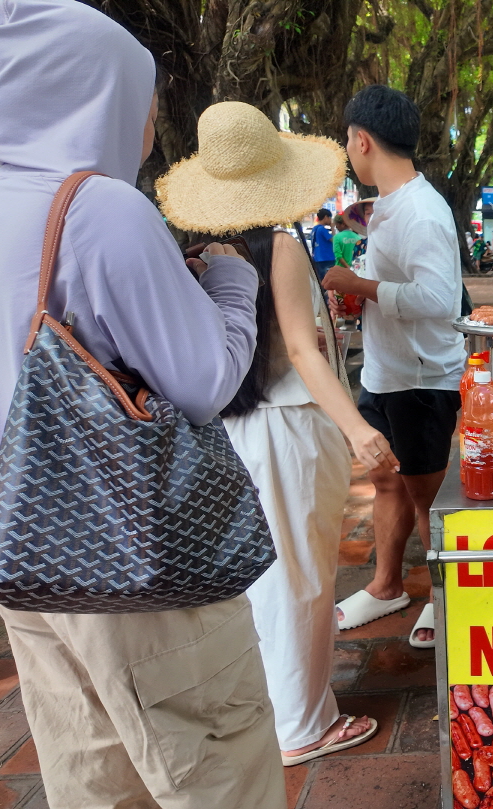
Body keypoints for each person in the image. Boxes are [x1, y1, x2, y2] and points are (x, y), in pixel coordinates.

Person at [0, 2, 284, 806]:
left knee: (95, 783)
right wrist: (231, 279)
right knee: (217, 776)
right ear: (96, 93)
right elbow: (205, 381)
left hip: (16, 565)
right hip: (130, 571)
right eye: (143, 92)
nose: (150, 113)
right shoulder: (104, 212)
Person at [156, 101, 394, 766]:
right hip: (288, 431)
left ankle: (273, 708)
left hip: (231, 429)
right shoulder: (278, 247)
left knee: (260, 578)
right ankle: (303, 724)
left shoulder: (197, 253)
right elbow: (304, 349)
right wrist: (358, 430)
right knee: (300, 577)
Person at [321, 85, 465, 646]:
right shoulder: (385, 207)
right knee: (386, 478)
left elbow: (438, 299)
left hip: (424, 378)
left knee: (426, 494)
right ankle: (386, 586)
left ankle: (443, 598)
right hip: (386, 370)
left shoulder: (423, 212)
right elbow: (398, 285)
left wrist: (361, 285)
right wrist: (363, 293)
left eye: (346, 141)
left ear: (362, 140)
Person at [311, 208, 336, 279]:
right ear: (325, 217)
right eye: (330, 218)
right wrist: (332, 228)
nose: (330, 220)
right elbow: (334, 240)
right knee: (330, 280)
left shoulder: (314, 229)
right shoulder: (322, 229)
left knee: (322, 280)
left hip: (318, 258)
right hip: (326, 258)